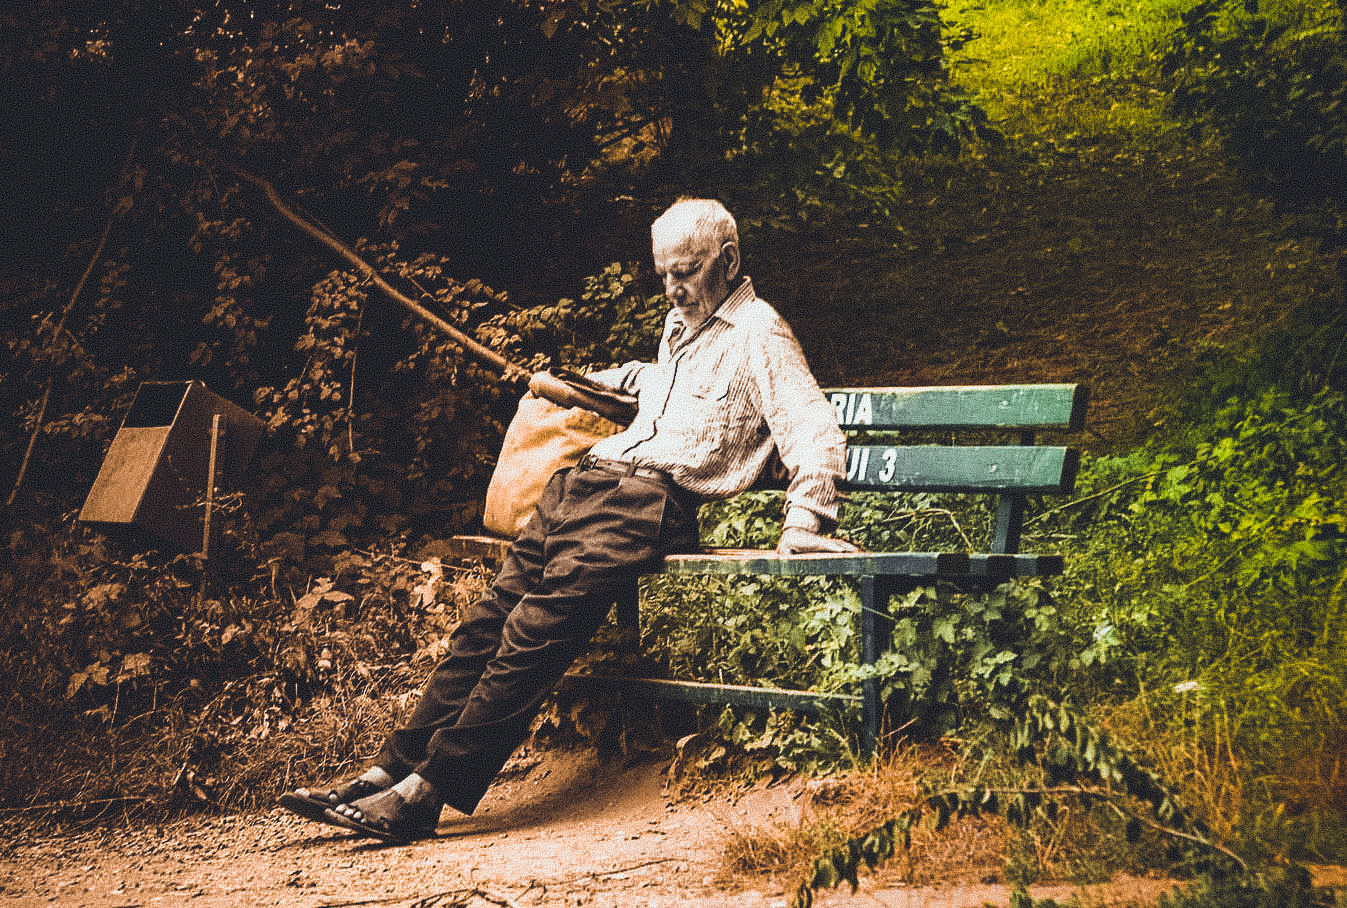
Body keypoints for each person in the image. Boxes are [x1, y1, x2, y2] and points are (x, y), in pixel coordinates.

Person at [279, 198, 858, 842]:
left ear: (729, 261)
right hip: (579, 488)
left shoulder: (760, 334)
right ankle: (389, 770)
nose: (671, 288)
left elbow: (812, 426)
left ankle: (428, 791)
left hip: (642, 505)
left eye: (686, 272)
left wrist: (806, 517)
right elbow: (660, 386)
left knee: (532, 630)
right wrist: (568, 382)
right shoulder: (679, 328)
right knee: (484, 625)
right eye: (663, 273)